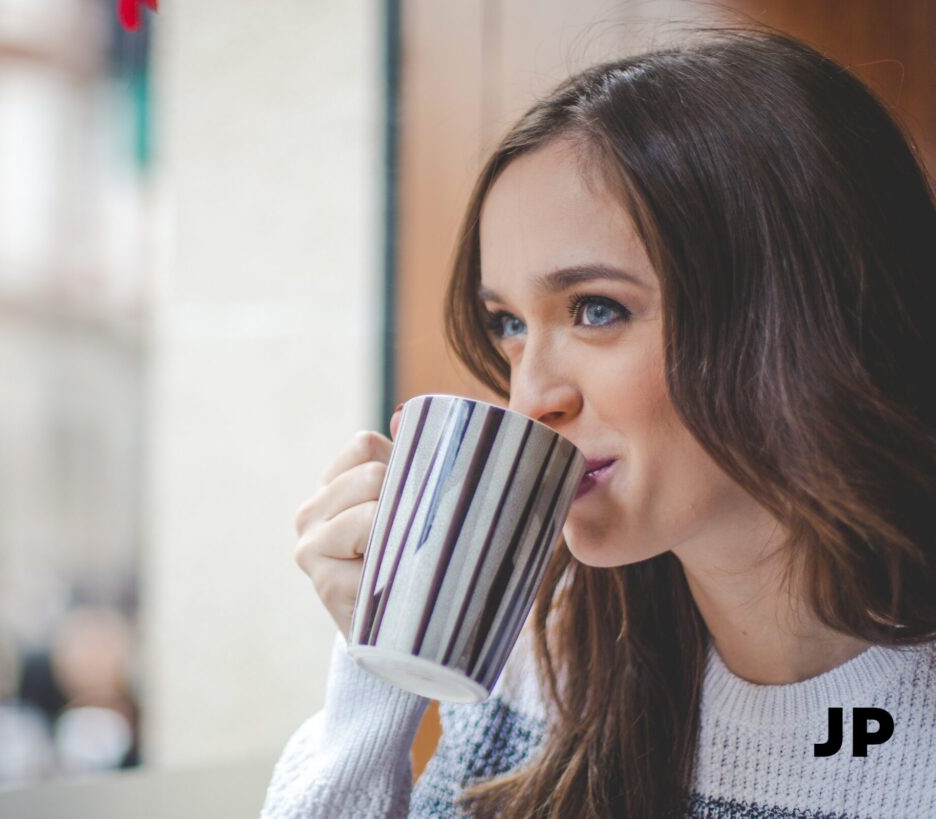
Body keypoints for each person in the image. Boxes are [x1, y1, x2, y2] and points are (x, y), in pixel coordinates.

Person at [261, 25, 936, 819]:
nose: (531, 396)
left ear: (803, 314)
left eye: (596, 309)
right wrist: (382, 663)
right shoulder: (547, 659)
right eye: (508, 324)